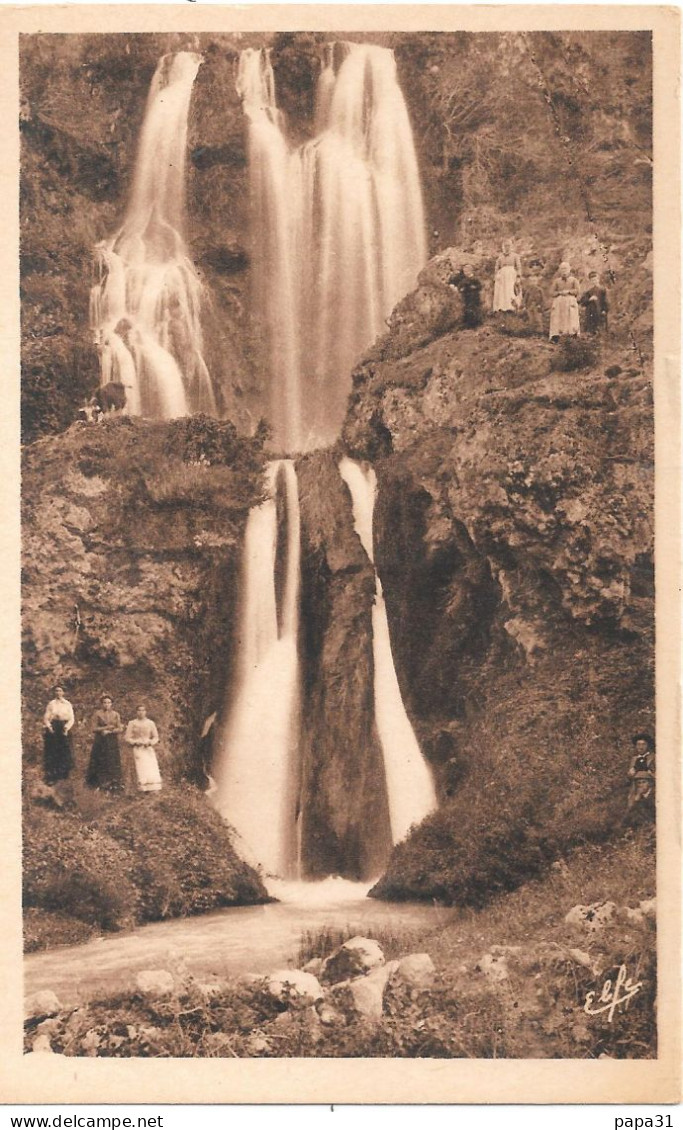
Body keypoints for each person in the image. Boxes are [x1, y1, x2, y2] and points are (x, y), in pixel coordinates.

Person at [86, 694, 124, 792]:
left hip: (112, 741)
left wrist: (110, 731)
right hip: (100, 740)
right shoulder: (97, 714)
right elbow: (93, 728)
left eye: (109, 703)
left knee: (112, 760)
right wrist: (106, 728)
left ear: (111, 704)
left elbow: (120, 728)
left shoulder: (116, 714)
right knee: (99, 760)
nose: (107, 705)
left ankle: (113, 784)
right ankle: (98, 783)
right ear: (101, 704)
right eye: (104, 703)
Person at [124, 704, 162, 793]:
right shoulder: (132, 723)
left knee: (150, 767)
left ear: (145, 712)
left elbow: (156, 737)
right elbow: (127, 737)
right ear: (136, 712)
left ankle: (152, 788)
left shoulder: (150, 723)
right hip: (137, 748)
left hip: (147, 749)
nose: (141, 712)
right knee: (139, 767)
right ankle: (140, 788)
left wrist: (150, 742)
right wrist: (135, 742)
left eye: (143, 710)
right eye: (139, 710)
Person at [42, 685, 74, 785]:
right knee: (52, 751)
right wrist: (49, 727)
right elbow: (46, 718)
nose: (58, 693)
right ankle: (52, 776)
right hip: (54, 728)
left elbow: (72, 718)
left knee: (64, 751)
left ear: (63, 692)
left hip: (64, 728)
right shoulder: (51, 704)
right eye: (56, 691)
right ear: (54, 692)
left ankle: (64, 775)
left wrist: (67, 728)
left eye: (60, 691)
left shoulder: (67, 704)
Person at [549, 261, 581, 341]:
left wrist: (569, 291)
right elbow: (551, 292)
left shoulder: (574, 280)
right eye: (562, 269)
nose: (564, 271)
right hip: (559, 302)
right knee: (558, 318)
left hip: (570, 302)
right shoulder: (557, 281)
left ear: (569, 269)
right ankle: (556, 336)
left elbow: (578, 291)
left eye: (565, 269)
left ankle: (572, 336)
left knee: (571, 318)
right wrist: (559, 292)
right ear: (560, 270)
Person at [448, 262, 483, 328]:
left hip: (474, 296)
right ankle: (468, 323)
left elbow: (480, 286)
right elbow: (459, 287)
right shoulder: (464, 280)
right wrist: (461, 289)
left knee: (474, 309)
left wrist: (474, 287)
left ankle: (476, 323)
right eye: (464, 271)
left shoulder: (475, 279)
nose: (466, 273)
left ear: (471, 271)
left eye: (467, 271)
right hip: (467, 297)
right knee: (467, 309)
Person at [627, 733, 655, 813]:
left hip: (650, 786)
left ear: (647, 745)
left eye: (643, 744)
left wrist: (651, 774)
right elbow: (629, 776)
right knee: (633, 804)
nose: (641, 747)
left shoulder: (653, 757)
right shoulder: (634, 759)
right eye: (638, 744)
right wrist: (630, 774)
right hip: (636, 786)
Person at [492, 239, 522, 312]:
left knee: (510, 290)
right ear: (503, 247)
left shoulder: (515, 256)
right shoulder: (500, 256)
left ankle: (512, 307)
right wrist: (496, 275)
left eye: (508, 246)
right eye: (505, 246)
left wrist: (518, 277)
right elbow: (497, 267)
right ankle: (502, 307)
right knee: (502, 291)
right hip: (502, 276)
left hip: (511, 275)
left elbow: (518, 267)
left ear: (511, 246)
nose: (507, 248)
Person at [523, 270, 546, 334]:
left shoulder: (539, 290)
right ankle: (532, 332)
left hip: (537, 306)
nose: (533, 283)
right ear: (529, 283)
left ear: (537, 282)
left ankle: (540, 333)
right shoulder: (529, 290)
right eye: (531, 281)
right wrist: (524, 305)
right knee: (531, 319)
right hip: (530, 306)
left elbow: (543, 299)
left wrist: (541, 306)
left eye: (534, 281)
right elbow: (525, 298)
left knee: (538, 319)